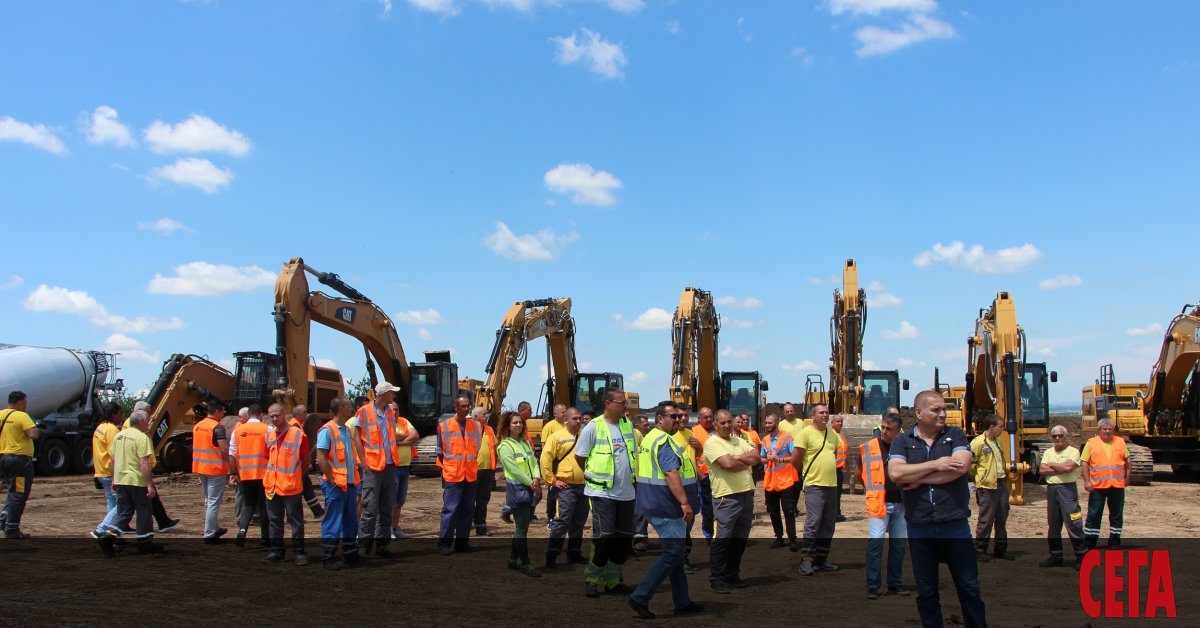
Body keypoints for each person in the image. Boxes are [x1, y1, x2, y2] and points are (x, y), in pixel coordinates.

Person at [888, 390, 986, 628]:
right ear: (919, 413)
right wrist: (936, 464)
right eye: (936, 410)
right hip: (920, 526)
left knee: (969, 588)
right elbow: (896, 473)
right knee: (927, 590)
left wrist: (919, 477)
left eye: (944, 409)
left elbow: (959, 469)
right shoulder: (903, 441)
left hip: (954, 525)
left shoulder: (956, 435)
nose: (943, 414)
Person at [627, 403, 703, 619]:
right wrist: (685, 503)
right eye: (673, 416)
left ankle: (682, 601)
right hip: (666, 505)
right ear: (660, 419)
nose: (678, 419)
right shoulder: (664, 441)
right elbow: (671, 473)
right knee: (672, 553)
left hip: (656, 503)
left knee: (676, 555)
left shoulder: (652, 438)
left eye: (679, 416)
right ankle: (640, 596)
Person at [575, 388, 637, 597]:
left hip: (627, 492)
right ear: (608, 404)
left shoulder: (627, 425)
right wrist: (595, 476)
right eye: (621, 402)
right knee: (604, 537)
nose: (625, 406)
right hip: (602, 493)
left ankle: (613, 581)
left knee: (623, 540)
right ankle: (592, 579)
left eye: (625, 402)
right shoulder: (593, 427)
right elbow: (580, 457)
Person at [704, 409, 760, 594]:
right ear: (715, 424)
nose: (727, 426)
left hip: (745, 495)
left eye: (729, 422)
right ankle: (717, 578)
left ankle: (732, 574)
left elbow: (756, 457)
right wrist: (744, 461)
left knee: (739, 539)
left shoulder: (737, 440)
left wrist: (737, 458)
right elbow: (728, 465)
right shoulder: (712, 443)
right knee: (722, 540)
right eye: (723, 423)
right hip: (725, 498)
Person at [97, 410, 163, 556]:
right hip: (136, 481)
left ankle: (107, 538)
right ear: (141, 422)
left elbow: (113, 460)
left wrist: (114, 479)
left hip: (121, 480)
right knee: (144, 511)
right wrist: (150, 485)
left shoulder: (119, 436)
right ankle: (145, 543)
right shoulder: (142, 438)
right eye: (148, 421)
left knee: (123, 512)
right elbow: (144, 462)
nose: (149, 424)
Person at [862, 410, 908, 599]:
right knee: (876, 544)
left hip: (902, 504)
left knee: (898, 546)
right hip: (879, 503)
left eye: (889, 429)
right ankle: (873, 586)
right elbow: (860, 473)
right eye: (883, 427)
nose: (884, 431)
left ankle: (894, 584)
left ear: (898, 431)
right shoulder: (870, 447)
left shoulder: (906, 447)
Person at [356, 382, 401, 558]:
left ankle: (382, 544)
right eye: (392, 393)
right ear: (383, 394)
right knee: (369, 507)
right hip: (373, 467)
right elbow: (357, 439)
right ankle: (364, 544)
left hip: (389, 465)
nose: (394, 396)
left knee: (385, 507)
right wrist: (364, 463)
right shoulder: (364, 412)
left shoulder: (389, 411)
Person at [795, 403, 841, 575]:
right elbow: (795, 460)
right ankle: (806, 561)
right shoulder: (804, 433)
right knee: (813, 523)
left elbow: (833, 455)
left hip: (831, 485)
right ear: (813, 416)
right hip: (814, 485)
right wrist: (807, 475)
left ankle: (821, 559)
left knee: (828, 524)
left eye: (827, 412)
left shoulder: (832, 434)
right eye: (821, 412)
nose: (825, 415)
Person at [262, 403, 309, 565]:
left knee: (295, 521)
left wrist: (295, 475)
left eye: (277, 415)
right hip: (272, 486)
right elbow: (267, 458)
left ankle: (298, 552)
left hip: (290, 486)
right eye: (271, 416)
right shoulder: (269, 435)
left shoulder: (297, 434)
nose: (274, 419)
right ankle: (276, 551)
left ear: (284, 414)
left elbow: (305, 461)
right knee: (274, 520)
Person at [541, 406, 588, 569]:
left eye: (580, 418)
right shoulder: (556, 437)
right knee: (562, 521)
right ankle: (552, 555)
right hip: (565, 487)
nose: (578, 421)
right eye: (575, 418)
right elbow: (545, 459)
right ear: (566, 420)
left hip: (584, 486)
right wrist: (552, 481)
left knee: (579, 522)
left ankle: (574, 552)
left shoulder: (584, 436)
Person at [317, 397, 360, 570]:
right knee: (333, 520)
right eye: (349, 406)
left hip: (348, 483)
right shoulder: (327, 430)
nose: (351, 409)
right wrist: (332, 480)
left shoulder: (346, 431)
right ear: (342, 409)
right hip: (336, 485)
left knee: (350, 520)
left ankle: (350, 553)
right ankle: (328, 556)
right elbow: (321, 456)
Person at [497, 412, 542, 577]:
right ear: (508, 425)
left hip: (530, 488)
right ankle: (525, 563)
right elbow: (513, 469)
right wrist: (531, 482)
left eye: (520, 423)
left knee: (522, 528)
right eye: (515, 423)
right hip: (519, 491)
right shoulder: (504, 447)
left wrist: (536, 477)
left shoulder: (524, 443)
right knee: (521, 530)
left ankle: (513, 559)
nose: (518, 425)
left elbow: (534, 462)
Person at [437, 396, 482, 555]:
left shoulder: (476, 426)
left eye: (467, 406)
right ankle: (444, 543)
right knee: (450, 510)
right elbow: (440, 452)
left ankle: (462, 543)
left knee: (468, 510)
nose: (466, 409)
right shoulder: (444, 426)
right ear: (455, 408)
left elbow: (476, 449)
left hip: (470, 475)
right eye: (462, 406)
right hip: (453, 476)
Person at [127, 401, 181, 532]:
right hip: (137, 473)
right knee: (137, 506)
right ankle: (108, 530)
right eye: (148, 415)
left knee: (146, 502)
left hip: (135, 472)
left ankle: (163, 522)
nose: (150, 419)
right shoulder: (138, 433)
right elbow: (142, 459)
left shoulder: (132, 429)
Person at [1039, 424, 1086, 569]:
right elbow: (1042, 470)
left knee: (1073, 523)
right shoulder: (1048, 452)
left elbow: (1069, 468)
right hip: (1052, 490)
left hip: (1068, 490)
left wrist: (1052, 465)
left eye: (1060, 435)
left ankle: (1081, 557)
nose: (1057, 438)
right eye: (1054, 436)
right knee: (1053, 524)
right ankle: (1055, 555)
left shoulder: (1073, 451)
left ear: (1066, 436)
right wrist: (1061, 467)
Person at [1081, 418, 1130, 549]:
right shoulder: (1091, 443)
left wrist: (1127, 478)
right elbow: (1084, 462)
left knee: (1117, 515)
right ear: (1099, 430)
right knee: (1094, 514)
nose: (1108, 432)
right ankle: (1090, 542)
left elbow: (1127, 461)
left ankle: (1114, 541)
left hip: (1117, 486)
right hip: (1098, 486)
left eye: (1110, 429)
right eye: (1105, 429)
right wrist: (1086, 481)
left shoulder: (1120, 442)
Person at [970, 415, 1011, 560]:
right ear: (992, 427)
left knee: (1001, 517)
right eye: (1000, 426)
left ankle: (1001, 549)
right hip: (987, 486)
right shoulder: (978, 443)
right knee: (986, 518)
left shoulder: (997, 441)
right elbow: (971, 464)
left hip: (1000, 482)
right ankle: (980, 549)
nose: (1002, 429)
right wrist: (981, 478)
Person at [230, 404, 270, 549]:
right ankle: (265, 539)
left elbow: (232, 455)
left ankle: (242, 530)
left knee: (248, 504)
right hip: (264, 474)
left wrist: (233, 473)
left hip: (245, 475)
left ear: (249, 414)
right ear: (261, 415)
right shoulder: (267, 429)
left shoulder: (238, 431)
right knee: (264, 506)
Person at [0, 391, 38, 539]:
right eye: (25, 402)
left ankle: (4, 518)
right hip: (19, 461)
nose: (26, 405)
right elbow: (33, 434)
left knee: (13, 490)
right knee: (19, 494)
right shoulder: (21, 416)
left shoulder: (1, 414)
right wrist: (35, 429)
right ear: (20, 402)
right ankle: (12, 528)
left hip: (3, 459)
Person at [193, 399, 231, 544]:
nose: (223, 415)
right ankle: (210, 534)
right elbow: (223, 449)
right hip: (215, 469)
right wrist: (232, 465)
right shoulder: (217, 427)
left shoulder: (198, 426)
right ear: (217, 411)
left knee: (209, 500)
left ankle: (214, 528)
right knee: (214, 502)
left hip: (200, 467)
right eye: (222, 412)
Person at [759, 413, 800, 550]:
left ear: (777, 422)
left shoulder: (787, 438)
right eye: (766, 423)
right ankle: (779, 537)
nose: (767, 425)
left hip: (787, 480)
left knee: (788, 510)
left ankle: (792, 539)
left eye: (770, 423)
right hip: (771, 481)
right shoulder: (765, 440)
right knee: (773, 511)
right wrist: (768, 458)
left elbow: (795, 456)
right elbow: (762, 459)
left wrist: (780, 460)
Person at [671, 405, 702, 574]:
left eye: (686, 415)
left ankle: (684, 557)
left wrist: (698, 446)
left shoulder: (690, 434)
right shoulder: (671, 435)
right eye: (680, 415)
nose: (683, 418)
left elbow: (696, 456)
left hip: (691, 485)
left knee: (688, 522)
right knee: (680, 524)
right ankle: (678, 560)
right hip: (678, 486)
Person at [91, 401, 123, 540]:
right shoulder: (112, 430)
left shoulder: (100, 428)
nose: (122, 416)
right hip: (109, 472)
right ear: (113, 414)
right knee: (122, 504)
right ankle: (101, 529)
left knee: (112, 503)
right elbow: (115, 454)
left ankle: (112, 534)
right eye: (120, 413)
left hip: (101, 471)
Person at [290, 405, 326, 519]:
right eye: (304, 412)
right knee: (302, 490)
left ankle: (318, 511)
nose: (306, 415)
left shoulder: (297, 425)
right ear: (297, 414)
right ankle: (315, 512)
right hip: (298, 464)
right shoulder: (294, 426)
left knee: (307, 488)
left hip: (299, 464)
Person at [391, 401, 419, 539]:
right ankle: (387, 529)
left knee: (399, 501)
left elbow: (415, 435)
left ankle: (395, 528)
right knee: (390, 500)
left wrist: (399, 441)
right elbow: (391, 437)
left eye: (396, 409)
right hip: (392, 467)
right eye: (392, 410)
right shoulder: (384, 423)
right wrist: (406, 437)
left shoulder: (403, 421)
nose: (394, 412)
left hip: (405, 466)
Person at [690, 407, 717, 542]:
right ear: (699, 419)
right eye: (705, 417)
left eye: (710, 416)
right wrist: (701, 475)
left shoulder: (717, 430)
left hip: (718, 475)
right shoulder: (693, 432)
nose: (708, 419)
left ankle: (717, 534)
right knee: (707, 509)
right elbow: (691, 457)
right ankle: (708, 535)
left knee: (719, 507)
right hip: (703, 476)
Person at [473, 406, 499, 536]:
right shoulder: (470, 429)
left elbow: (494, 447)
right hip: (473, 470)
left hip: (487, 470)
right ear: (476, 417)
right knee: (469, 500)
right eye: (483, 414)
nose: (486, 416)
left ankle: (481, 527)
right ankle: (464, 526)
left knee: (483, 500)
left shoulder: (489, 430)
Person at [540, 403, 568, 520]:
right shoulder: (550, 426)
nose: (565, 414)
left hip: (566, 464)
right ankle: (550, 517)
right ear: (555, 413)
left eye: (565, 411)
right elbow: (544, 446)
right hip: (555, 463)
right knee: (553, 492)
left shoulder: (567, 425)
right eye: (562, 412)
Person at [831, 414, 848, 522]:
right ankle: (834, 513)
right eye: (837, 421)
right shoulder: (831, 435)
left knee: (837, 493)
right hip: (832, 469)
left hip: (839, 468)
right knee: (833, 493)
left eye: (841, 421)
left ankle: (837, 512)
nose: (840, 423)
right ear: (832, 423)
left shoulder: (841, 436)